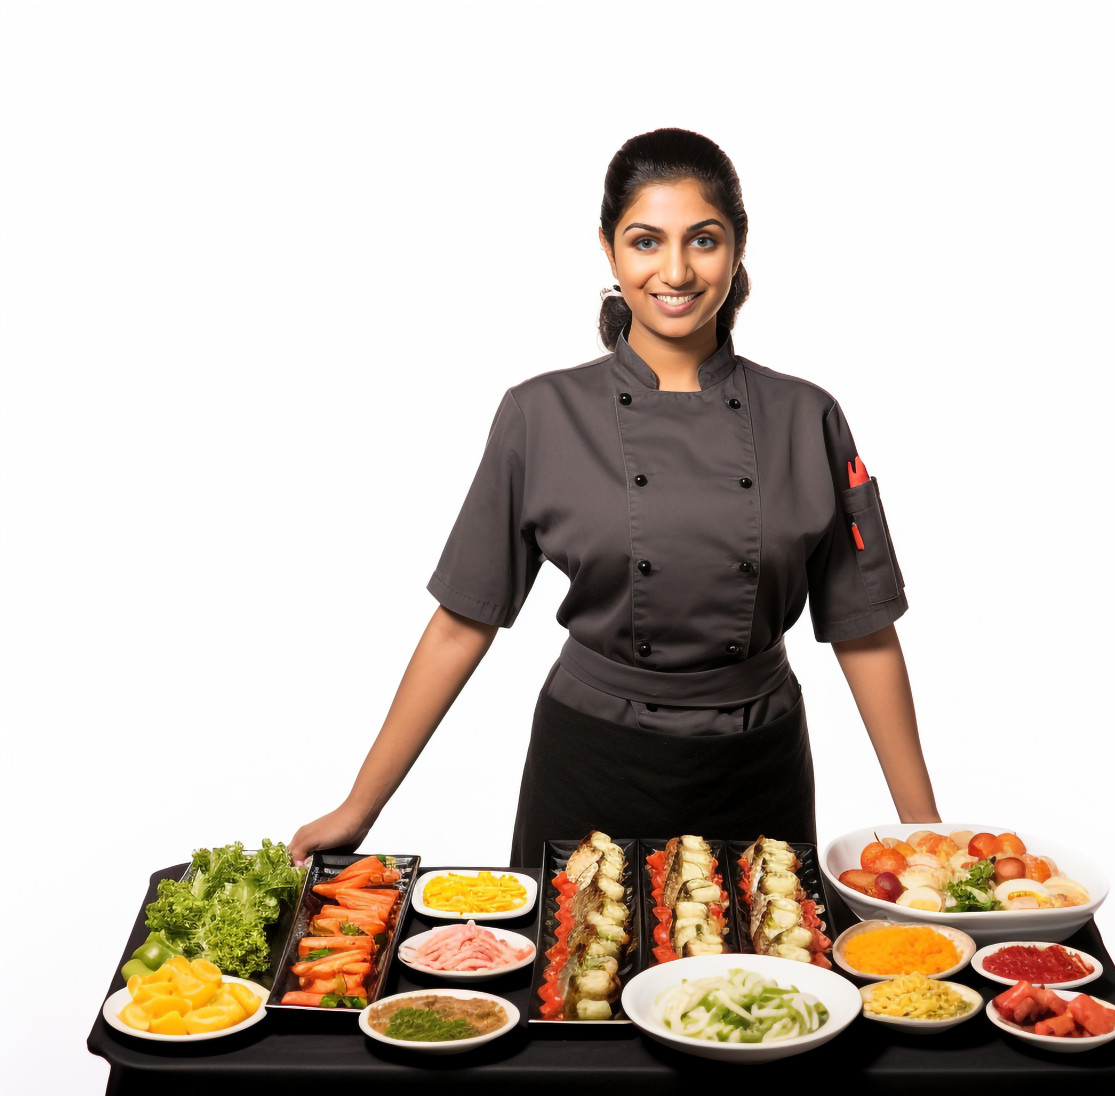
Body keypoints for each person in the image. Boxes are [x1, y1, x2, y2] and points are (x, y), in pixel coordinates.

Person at [287, 127, 940, 868]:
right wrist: (360, 806)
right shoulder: (541, 414)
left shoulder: (807, 416)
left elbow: (865, 632)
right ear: (609, 250)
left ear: (738, 248)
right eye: (645, 241)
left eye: (703, 240)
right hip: (589, 765)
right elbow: (463, 621)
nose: (676, 271)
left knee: (768, 950)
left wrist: (928, 835)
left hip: (758, 768)